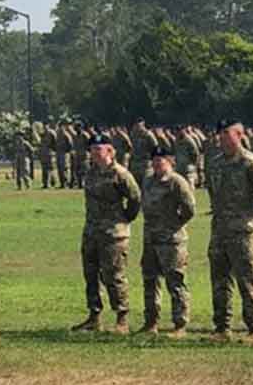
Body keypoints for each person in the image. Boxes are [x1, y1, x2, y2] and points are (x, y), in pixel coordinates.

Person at [206, 120, 253, 344]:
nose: (222, 138)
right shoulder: (215, 163)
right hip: (219, 229)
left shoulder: (250, 162)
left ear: (239, 135)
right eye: (220, 134)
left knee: (247, 279)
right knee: (219, 280)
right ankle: (222, 327)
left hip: (243, 230)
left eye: (227, 133)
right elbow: (212, 191)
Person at [72, 132, 142, 334]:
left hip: (113, 233)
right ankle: (94, 317)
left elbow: (135, 198)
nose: (93, 153)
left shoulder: (120, 174)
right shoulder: (91, 172)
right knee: (91, 274)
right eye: (92, 149)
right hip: (92, 231)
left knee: (114, 275)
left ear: (109, 151)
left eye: (98, 149)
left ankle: (122, 318)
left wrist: (125, 219)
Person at [139, 145, 197, 337]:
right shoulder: (148, 181)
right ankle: (150, 323)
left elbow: (190, 209)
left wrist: (173, 225)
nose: (157, 164)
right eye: (154, 160)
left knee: (175, 282)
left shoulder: (177, 182)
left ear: (170, 161)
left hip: (171, 241)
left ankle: (180, 325)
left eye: (161, 160)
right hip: (150, 239)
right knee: (150, 281)